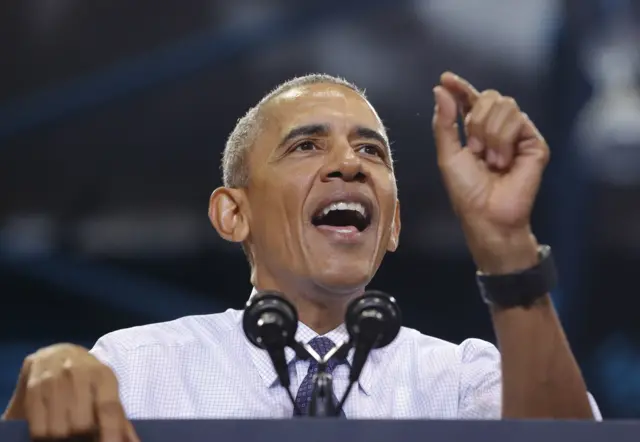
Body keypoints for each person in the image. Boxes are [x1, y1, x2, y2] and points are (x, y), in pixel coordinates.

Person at [2, 72, 600, 441]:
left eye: (373, 151)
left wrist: (505, 246)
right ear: (233, 214)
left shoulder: (466, 381)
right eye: (307, 145)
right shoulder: (136, 370)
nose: (349, 164)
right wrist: (37, 393)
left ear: (392, 226)